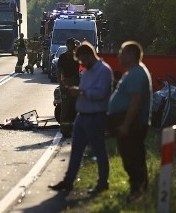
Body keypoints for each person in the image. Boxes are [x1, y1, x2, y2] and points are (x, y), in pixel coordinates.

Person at [48, 41, 113, 195]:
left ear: (89, 55)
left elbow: (102, 93)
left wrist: (81, 92)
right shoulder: (88, 70)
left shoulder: (103, 71)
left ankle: (103, 182)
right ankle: (68, 181)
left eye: (82, 60)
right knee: (76, 151)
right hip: (82, 117)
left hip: (95, 116)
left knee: (99, 151)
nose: (81, 64)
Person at [107, 41, 153, 200]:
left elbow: (136, 101)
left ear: (132, 55)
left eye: (122, 52)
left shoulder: (136, 74)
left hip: (132, 124)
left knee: (132, 157)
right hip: (129, 122)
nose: (119, 55)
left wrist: (126, 125)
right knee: (132, 156)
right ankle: (139, 190)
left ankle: (138, 191)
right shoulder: (133, 72)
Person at [56, 38, 80, 136]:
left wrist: (79, 46)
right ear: (67, 45)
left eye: (73, 45)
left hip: (76, 82)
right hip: (66, 81)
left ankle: (73, 128)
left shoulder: (77, 56)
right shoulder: (62, 57)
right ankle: (65, 130)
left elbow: (86, 56)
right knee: (65, 106)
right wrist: (61, 83)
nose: (71, 46)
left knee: (75, 106)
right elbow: (59, 71)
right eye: (70, 44)